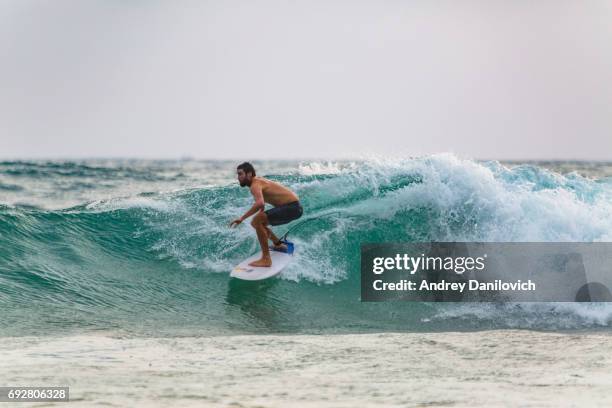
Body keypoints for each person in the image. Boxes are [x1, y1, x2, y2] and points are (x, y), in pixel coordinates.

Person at [229, 162, 303, 267]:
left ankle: (266, 259)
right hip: (295, 208)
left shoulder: (254, 185)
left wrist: (241, 218)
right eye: (238, 174)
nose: (238, 177)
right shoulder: (258, 181)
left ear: (249, 174)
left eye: (240, 174)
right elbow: (262, 201)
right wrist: (261, 212)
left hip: (292, 207)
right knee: (258, 223)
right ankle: (278, 245)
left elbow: (260, 203)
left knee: (256, 221)